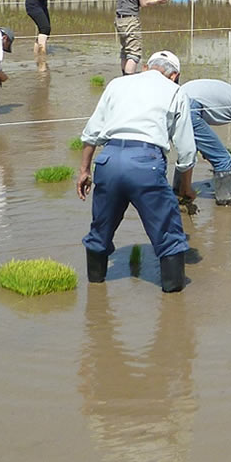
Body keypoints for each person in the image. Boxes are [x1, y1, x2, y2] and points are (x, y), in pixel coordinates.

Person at [76, 50, 195, 294]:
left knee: (100, 230)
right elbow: (185, 152)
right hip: (145, 161)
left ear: (145, 68)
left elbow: (91, 133)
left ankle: (96, 295)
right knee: (169, 236)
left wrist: (84, 170)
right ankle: (175, 308)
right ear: (175, 76)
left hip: (108, 160)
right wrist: (185, 188)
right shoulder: (175, 91)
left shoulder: (117, 84)